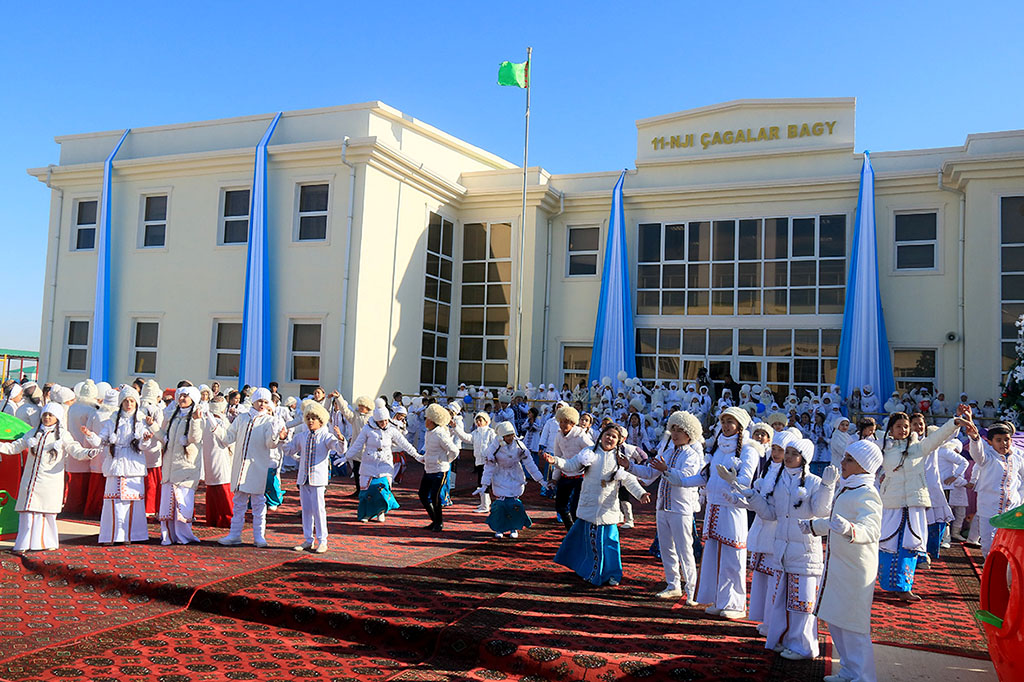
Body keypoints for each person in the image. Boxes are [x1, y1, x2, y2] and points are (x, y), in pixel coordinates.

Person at [735, 439, 838, 660]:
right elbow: (770, 514)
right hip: (781, 550)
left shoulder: (814, 481)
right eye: (787, 452)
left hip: (805, 552)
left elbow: (821, 511)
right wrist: (753, 497)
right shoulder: (779, 480)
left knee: (802, 602)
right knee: (781, 600)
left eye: (794, 453)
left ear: (805, 459)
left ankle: (804, 646)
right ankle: (782, 639)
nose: (789, 457)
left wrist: (828, 487)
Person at [809, 439, 884, 682]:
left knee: (853, 626)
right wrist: (812, 526)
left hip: (855, 569)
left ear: (864, 465)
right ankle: (849, 670)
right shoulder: (848, 487)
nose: (843, 463)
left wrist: (851, 529)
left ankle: (865, 676)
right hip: (838, 565)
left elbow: (871, 530)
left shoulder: (868, 493)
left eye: (849, 460)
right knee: (836, 620)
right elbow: (834, 523)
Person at [545, 422, 651, 586]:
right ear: (601, 436)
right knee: (587, 542)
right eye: (607, 434)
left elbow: (629, 479)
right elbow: (572, 465)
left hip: (608, 509)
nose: (610, 438)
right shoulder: (589, 453)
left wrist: (641, 493)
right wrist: (556, 461)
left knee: (610, 544)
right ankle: (587, 570)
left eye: (614, 437)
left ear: (619, 441)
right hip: (589, 505)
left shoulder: (620, 459)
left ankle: (612, 573)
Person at [877, 407, 966, 600]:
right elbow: (867, 464)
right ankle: (887, 584)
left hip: (914, 503)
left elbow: (938, 438)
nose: (903, 430)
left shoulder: (918, 447)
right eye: (898, 426)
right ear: (890, 430)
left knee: (910, 544)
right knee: (888, 543)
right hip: (892, 503)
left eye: (906, 426)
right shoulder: (883, 449)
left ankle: (904, 587)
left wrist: (955, 422)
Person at [620, 410, 703, 604]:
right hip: (662, 507)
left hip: (681, 508)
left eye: (679, 430)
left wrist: (666, 470)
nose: (674, 434)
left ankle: (692, 591)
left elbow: (683, 479)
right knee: (666, 548)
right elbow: (650, 473)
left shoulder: (692, 455)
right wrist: (629, 466)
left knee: (685, 550)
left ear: (689, 434)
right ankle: (673, 585)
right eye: (673, 429)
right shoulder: (668, 451)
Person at [685, 406, 761, 619]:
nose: (726, 426)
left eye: (731, 422)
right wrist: (680, 480)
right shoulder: (718, 448)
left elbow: (746, 481)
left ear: (740, 426)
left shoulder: (749, 449)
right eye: (724, 421)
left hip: (733, 508)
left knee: (732, 557)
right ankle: (720, 600)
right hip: (713, 508)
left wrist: (732, 480)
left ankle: (736, 604)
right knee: (713, 557)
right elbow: (706, 477)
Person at [0, 403, 99, 553]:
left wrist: (89, 453)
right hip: (30, 481)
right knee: (28, 513)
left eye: (50, 415)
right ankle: (23, 544)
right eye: (45, 415)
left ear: (58, 418)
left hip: (49, 482)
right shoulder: (32, 433)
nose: (47, 418)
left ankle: (45, 543)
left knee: (45, 514)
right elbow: (14, 447)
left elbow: (75, 450)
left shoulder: (63, 435)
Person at [212, 387, 285, 548]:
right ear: (253, 401)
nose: (262, 404)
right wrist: (214, 426)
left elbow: (270, 444)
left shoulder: (269, 421)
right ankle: (234, 534)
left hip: (257, 467)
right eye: (260, 401)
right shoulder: (242, 418)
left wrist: (277, 435)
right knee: (239, 503)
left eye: (266, 402)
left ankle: (259, 536)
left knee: (259, 503)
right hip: (240, 468)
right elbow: (228, 438)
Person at [86, 386, 156, 545]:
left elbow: (144, 446)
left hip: (133, 465)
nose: (129, 404)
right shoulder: (112, 421)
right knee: (114, 500)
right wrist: (91, 435)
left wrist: (145, 439)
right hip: (115, 464)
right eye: (125, 401)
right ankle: (111, 536)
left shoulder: (141, 421)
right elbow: (101, 440)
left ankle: (131, 535)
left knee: (132, 502)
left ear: (136, 403)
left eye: (132, 401)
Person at [279, 401, 345, 552]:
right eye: (308, 418)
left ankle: (323, 540)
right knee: (306, 510)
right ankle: (308, 539)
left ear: (321, 420)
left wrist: (341, 439)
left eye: (313, 418)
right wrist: (283, 439)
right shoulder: (302, 436)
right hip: (304, 478)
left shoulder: (326, 436)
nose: (310, 421)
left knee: (319, 510)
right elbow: (289, 450)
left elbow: (339, 449)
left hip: (318, 479)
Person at [959, 417, 1023, 557]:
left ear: (1011, 440)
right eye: (998, 440)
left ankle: (1004, 572)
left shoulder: (1018, 458)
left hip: (1011, 510)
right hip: (989, 509)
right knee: (988, 543)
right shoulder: (987, 458)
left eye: (1006, 439)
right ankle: (989, 568)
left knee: (1009, 544)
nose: (1003, 443)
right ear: (990, 442)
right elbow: (977, 453)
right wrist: (975, 438)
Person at [347, 399, 416, 523]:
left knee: (382, 490)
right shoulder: (367, 429)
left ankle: (380, 512)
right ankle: (367, 513)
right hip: (369, 464)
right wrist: (346, 456)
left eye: (385, 420)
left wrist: (416, 455)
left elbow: (405, 444)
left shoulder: (392, 430)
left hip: (385, 465)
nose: (384, 423)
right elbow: (357, 444)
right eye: (381, 421)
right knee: (367, 491)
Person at [151, 386, 203, 545]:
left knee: (182, 504)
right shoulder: (174, 416)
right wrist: (152, 426)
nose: (181, 399)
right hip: (169, 467)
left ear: (193, 399)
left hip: (185, 468)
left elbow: (195, 438)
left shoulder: (197, 416)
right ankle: (167, 535)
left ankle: (183, 536)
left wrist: (195, 420)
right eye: (180, 396)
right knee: (167, 504)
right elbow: (165, 438)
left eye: (185, 397)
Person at [478, 421, 544, 539]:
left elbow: (530, 464)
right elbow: (489, 467)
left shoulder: (519, 445)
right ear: (501, 436)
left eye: (511, 435)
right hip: (500, 475)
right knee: (501, 504)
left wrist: (541, 480)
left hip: (515, 475)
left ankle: (513, 527)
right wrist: (484, 484)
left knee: (514, 504)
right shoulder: (494, 447)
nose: (510, 438)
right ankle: (499, 527)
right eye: (507, 435)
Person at [407, 403, 460, 531]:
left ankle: (439, 523)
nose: (425, 421)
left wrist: (446, 460)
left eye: (427, 419)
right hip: (429, 468)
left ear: (432, 421)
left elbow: (454, 450)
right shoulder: (429, 432)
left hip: (440, 470)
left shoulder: (440, 434)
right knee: (423, 495)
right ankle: (434, 519)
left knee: (435, 496)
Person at [549, 405, 595, 532]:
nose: (563, 425)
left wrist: (588, 468)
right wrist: (554, 478)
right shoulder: (558, 436)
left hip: (580, 476)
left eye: (566, 422)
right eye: (561, 421)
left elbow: (593, 451)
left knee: (576, 508)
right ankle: (571, 529)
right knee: (560, 506)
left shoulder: (581, 436)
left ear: (573, 423)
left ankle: (577, 532)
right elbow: (557, 456)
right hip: (565, 474)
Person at [471, 412, 497, 513]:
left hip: (487, 462)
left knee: (484, 483)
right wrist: (456, 429)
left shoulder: (490, 432)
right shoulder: (475, 432)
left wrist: (489, 456)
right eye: (477, 420)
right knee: (480, 482)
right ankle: (484, 503)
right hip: (479, 460)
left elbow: (494, 445)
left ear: (486, 421)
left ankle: (485, 506)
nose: (478, 422)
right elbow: (467, 438)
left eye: (480, 420)